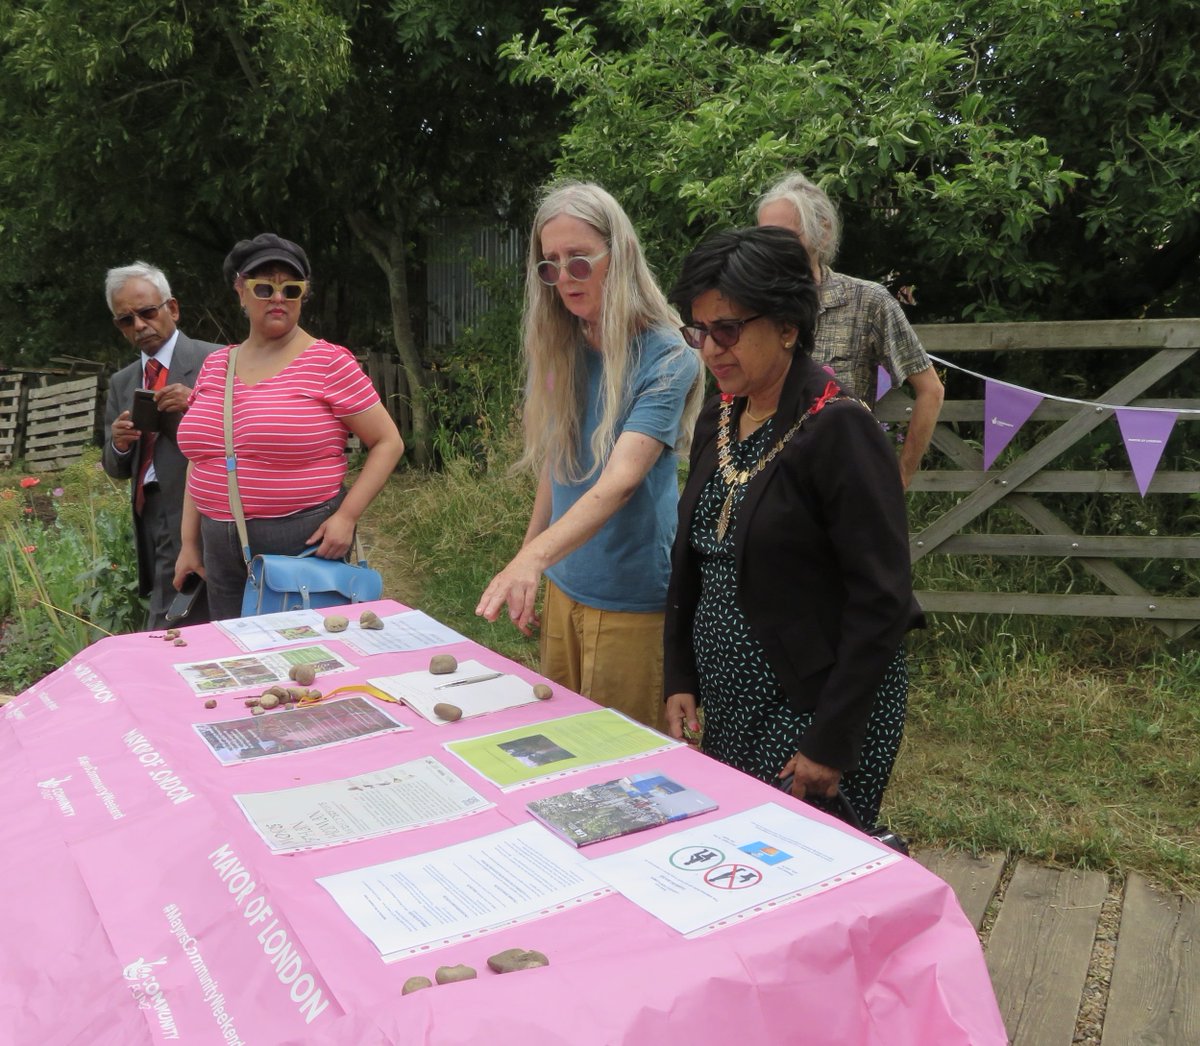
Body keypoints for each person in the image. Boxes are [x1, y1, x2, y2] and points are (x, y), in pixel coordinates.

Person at [663, 226, 924, 829]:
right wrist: (680, 671)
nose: (709, 349)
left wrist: (829, 740)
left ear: (786, 325)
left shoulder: (840, 429)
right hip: (732, 703)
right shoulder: (721, 413)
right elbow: (693, 556)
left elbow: (881, 599)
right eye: (699, 331)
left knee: (790, 863)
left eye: (726, 329)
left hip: (809, 708)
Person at [475, 181, 703, 731]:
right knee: (562, 744)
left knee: (624, 761)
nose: (564, 280)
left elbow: (620, 481)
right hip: (566, 585)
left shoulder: (669, 356)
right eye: (550, 267)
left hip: (632, 599)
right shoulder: (564, 346)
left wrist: (532, 560)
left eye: (579, 261)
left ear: (618, 254)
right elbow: (559, 463)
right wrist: (532, 556)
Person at [173, 233, 404, 620]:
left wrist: (346, 517)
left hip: (300, 541)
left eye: (291, 289)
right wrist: (188, 542)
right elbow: (203, 457)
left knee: (303, 657)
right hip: (218, 545)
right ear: (241, 292)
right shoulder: (217, 365)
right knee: (236, 656)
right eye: (264, 287)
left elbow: (388, 441)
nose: (278, 298)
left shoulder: (330, 363)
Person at [756, 172, 944, 489]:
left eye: (783, 236)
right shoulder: (752, 308)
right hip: (765, 485)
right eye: (763, 238)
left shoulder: (867, 301)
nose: (770, 249)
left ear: (823, 234)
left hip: (844, 485)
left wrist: (900, 478)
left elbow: (931, 391)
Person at [102, 262, 220, 629]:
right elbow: (115, 467)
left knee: (168, 624)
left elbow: (245, 437)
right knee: (185, 614)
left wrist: (197, 405)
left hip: (201, 509)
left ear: (172, 308)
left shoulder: (215, 361)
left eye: (147, 312)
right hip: (149, 514)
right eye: (126, 320)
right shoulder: (122, 382)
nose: (139, 326)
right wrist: (119, 444)